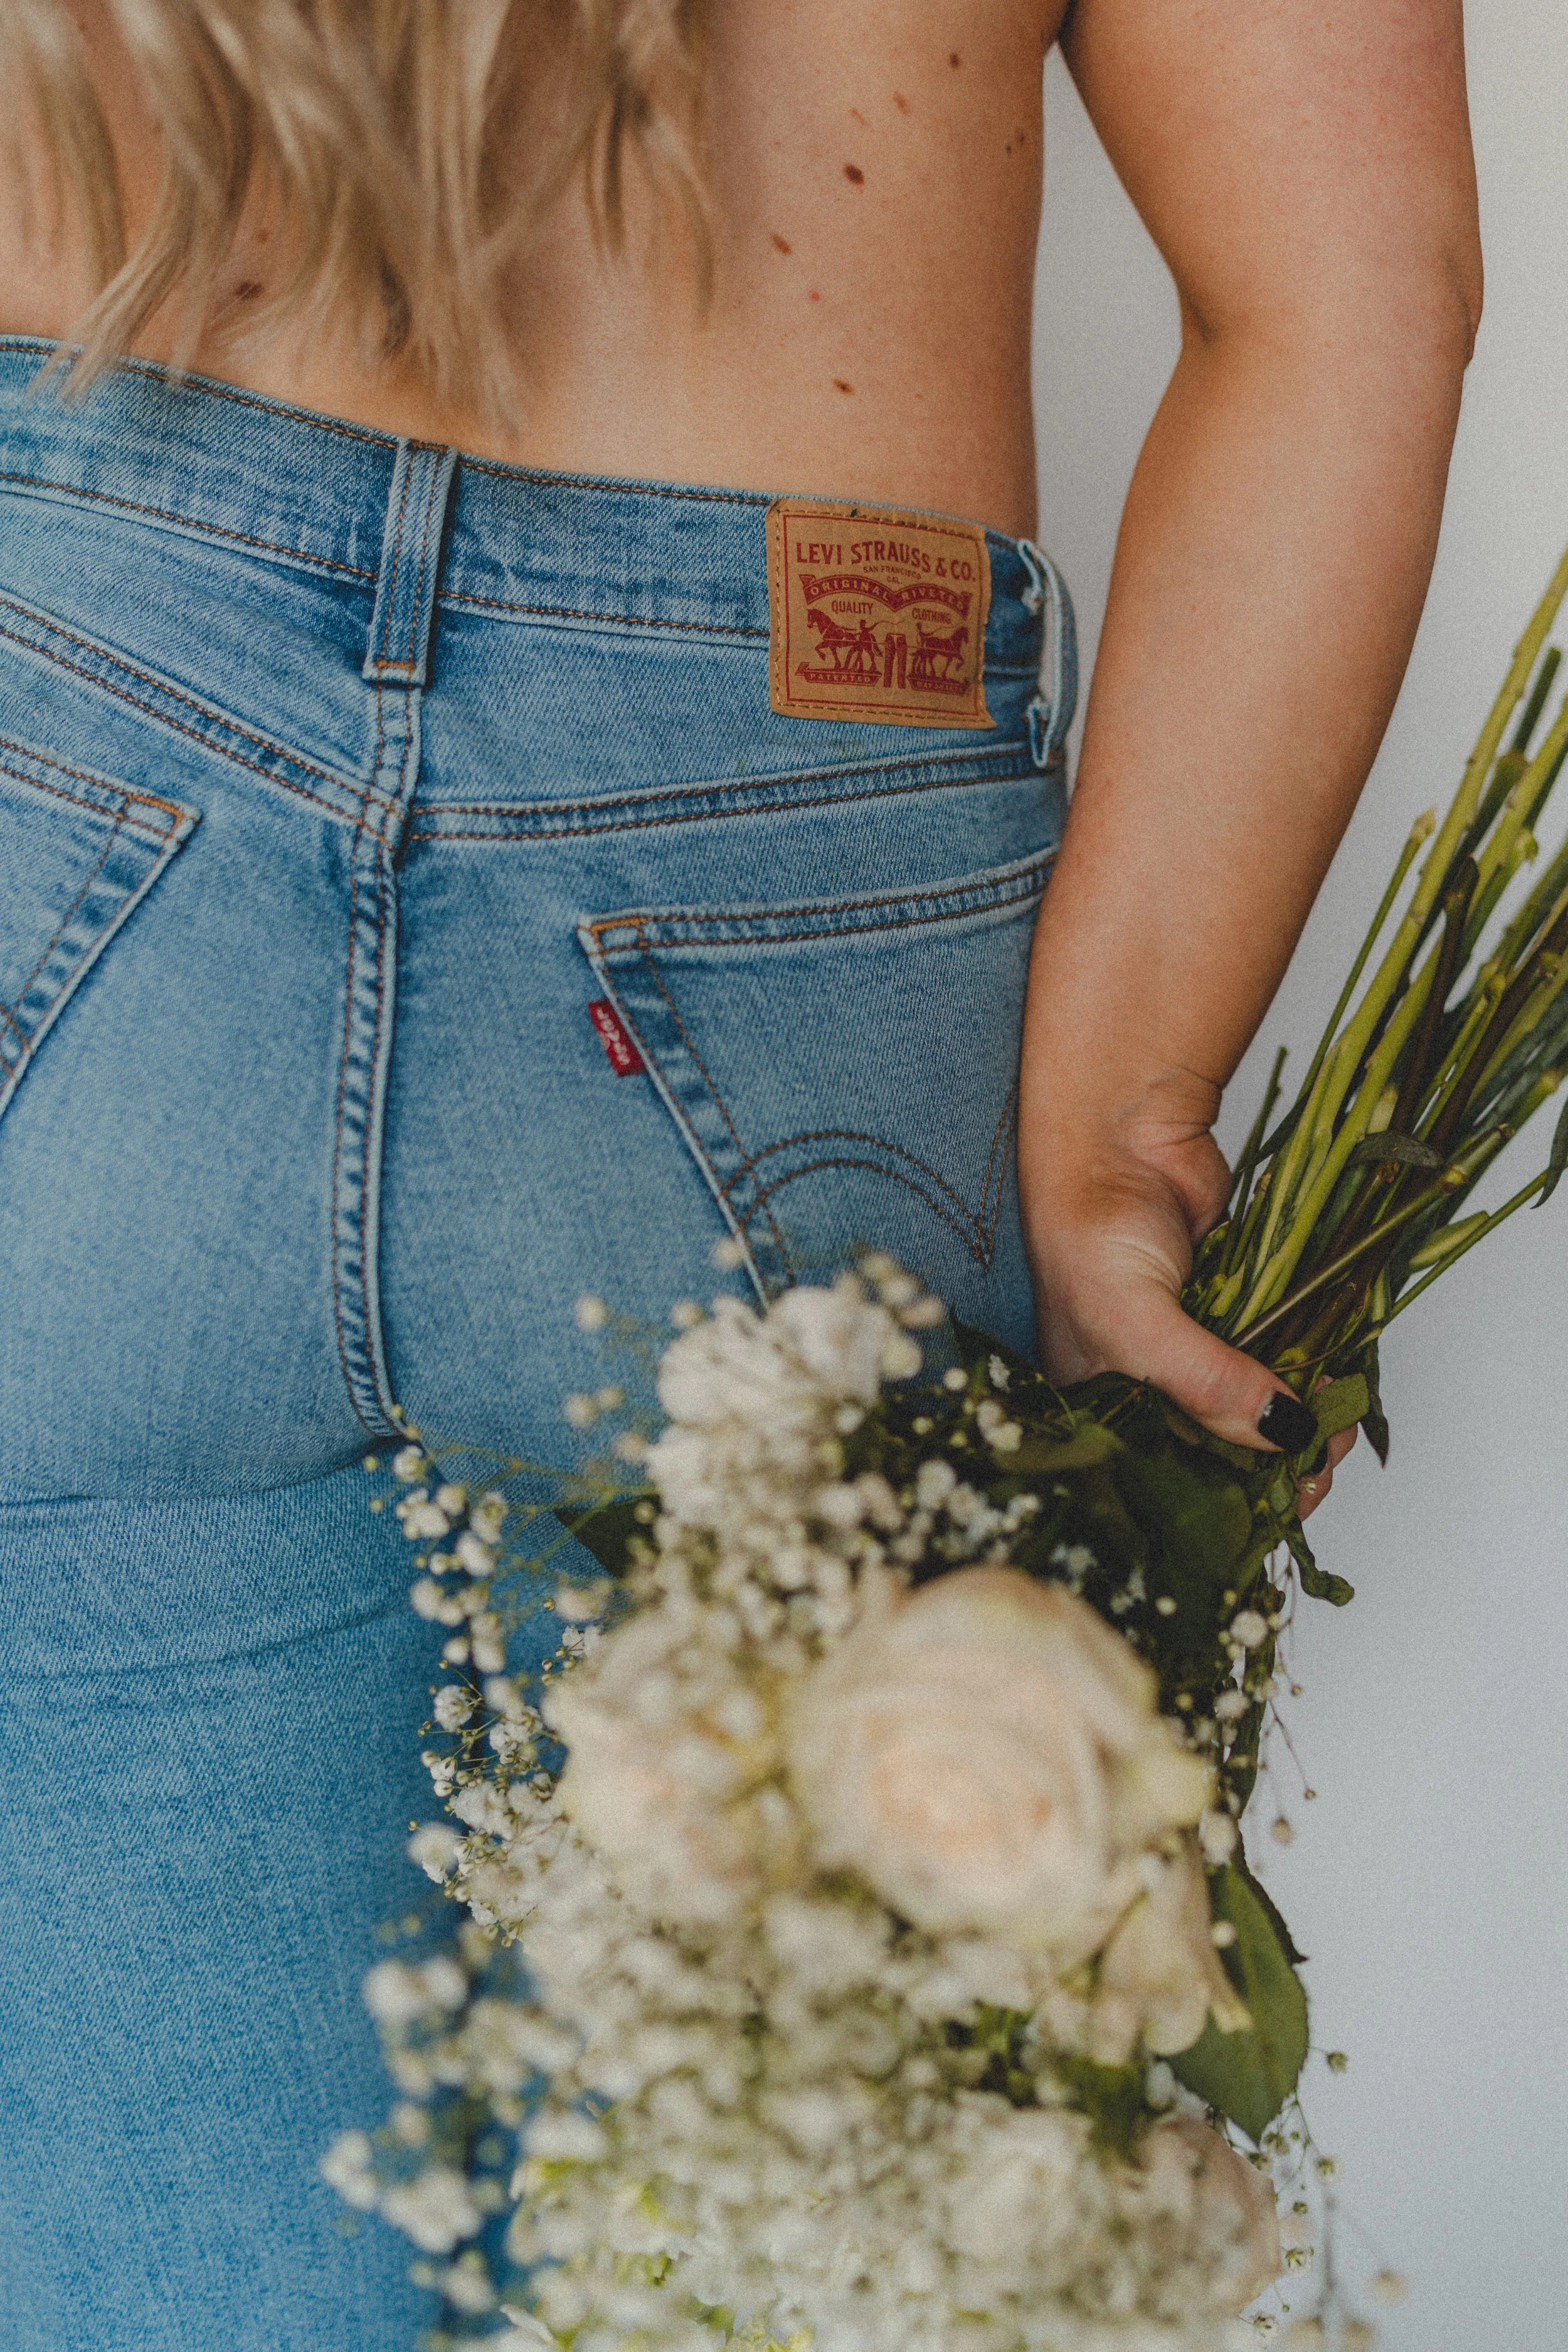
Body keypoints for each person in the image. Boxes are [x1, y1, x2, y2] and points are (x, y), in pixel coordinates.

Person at [0, 3, 1479, 2344]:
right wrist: (1114, 1140)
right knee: (798, 2239)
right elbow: (1342, 278)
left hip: (71, 779)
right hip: (794, 840)